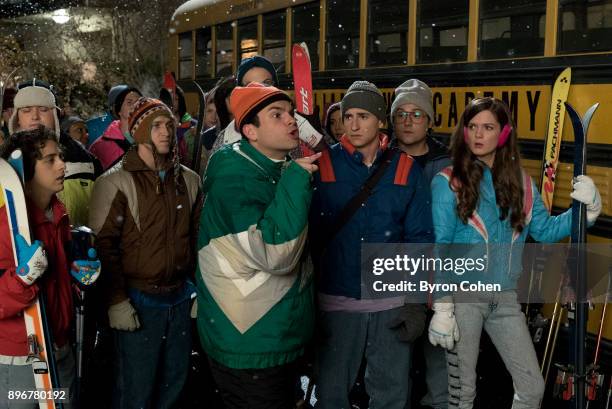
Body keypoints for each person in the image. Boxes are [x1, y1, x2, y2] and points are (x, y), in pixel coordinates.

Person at [428, 97, 602, 409]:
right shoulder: (448, 182)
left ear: (504, 134)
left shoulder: (521, 182)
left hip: (506, 298)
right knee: (461, 396)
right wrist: (442, 307)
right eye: (472, 127)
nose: (479, 135)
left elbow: (545, 231)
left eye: (488, 127)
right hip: (463, 299)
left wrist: (584, 212)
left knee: (532, 389)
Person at [310, 80, 434, 409]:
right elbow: (308, 239)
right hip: (336, 303)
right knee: (331, 394)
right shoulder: (322, 165)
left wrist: (415, 302)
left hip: (390, 304)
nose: (353, 124)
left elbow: (419, 240)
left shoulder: (405, 168)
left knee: (392, 395)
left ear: (380, 120)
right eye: (348, 115)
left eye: (363, 115)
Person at [195, 82, 319, 409]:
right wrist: (295, 181)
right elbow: (276, 252)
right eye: (276, 115)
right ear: (250, 130)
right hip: (250, 342)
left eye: (291, 113)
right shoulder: (234, 178)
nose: (291, 120)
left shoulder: (269, 170)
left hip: (271, 335)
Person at [89, 97, 202, 409]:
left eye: (168, 124)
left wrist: (200, 291)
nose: (165, 131)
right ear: (139, 133)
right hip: (138, 300)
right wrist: (116, 301)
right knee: (135, 392)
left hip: (179, 299)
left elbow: (199, 241)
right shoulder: (115, 182)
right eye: (156, 126)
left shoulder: (189, 180)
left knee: (174, 387)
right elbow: (104, 247)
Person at [0, 126, 101, 408]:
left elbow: (58, 280)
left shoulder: (58, 215)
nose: (62, 165)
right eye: (50, 159)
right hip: (20, 361)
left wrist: (78, 275)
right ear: (24, 169)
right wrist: (21, 280)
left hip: (58, 348)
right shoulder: (4, 225)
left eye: (61, 157)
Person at [390, 78, 450, 409]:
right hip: (394, 271)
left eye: (417, 114)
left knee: (439, 356)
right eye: (401, 114)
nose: (408, 121)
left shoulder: (450, 163)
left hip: (439, 272)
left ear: (429, 120)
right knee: (393, 358)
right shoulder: (382, 160)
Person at [8, 79, 101, 227]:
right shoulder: (4, 161)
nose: (35, 116)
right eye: (26, 110)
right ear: (16, 118)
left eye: (43, 109)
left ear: (55, 114)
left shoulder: (84, 161)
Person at [89, 84, 142, 171]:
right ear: (118, 110)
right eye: (129, 102)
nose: (135, 106)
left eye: (139, 102)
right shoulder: (101, 146)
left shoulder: (152, 138)